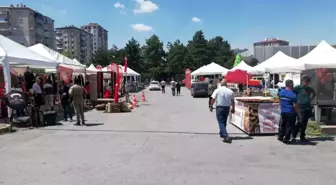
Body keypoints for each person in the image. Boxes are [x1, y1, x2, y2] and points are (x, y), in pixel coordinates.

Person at [292, 75, 316, 142]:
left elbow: (314, 93)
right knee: (300, 121)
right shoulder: (298, 88)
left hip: (307, 107)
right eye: (305, 82)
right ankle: (294, 134)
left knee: (305, 122)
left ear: (309, 82)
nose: (306, 83)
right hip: (300, 107)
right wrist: (295, 100)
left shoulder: (309, 89)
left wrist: (310, 99)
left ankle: (302, 136)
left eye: (307, 82)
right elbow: (292, 92)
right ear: (302, 81)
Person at [210, 79, 235, 143]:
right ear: (226, 84)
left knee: (220, 121)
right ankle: (222, 133)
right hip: (227, 107)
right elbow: (232, 101)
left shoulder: (217, 90)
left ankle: (225, 136)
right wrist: (233, 108)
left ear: (221, 84)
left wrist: (211, 106)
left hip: (220, 107)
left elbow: (213, 99)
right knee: (224, 121)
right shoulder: (230, 91)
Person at [278, 80, 302, 144]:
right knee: (289, 126)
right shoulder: (293, 94)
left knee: (283, 124)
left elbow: (280, 100)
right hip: (290, 112)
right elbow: (295, 106)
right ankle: (286, 139)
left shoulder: (281, 92)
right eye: (293, 84)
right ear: (291, 84)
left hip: (283, 111)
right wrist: (299, 115)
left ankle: (280, 136)